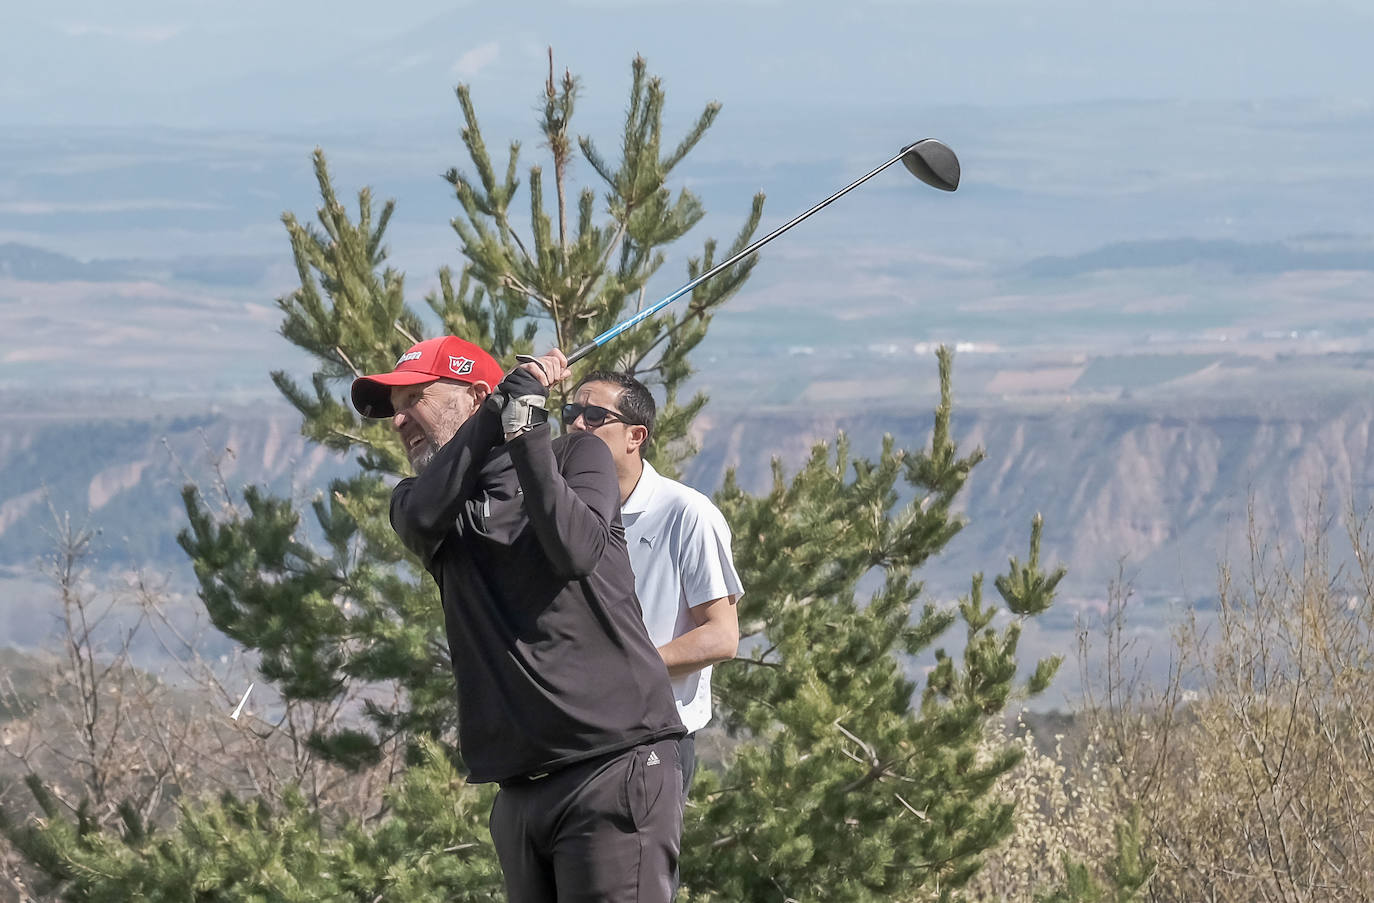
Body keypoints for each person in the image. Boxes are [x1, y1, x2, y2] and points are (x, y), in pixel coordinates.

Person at [351, 336, 686, 903]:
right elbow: (424, 513)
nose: (399, 419)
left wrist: (524, 425)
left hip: (613, 768)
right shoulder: (420, 504)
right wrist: (492, 419)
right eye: (393, 407)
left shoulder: (577, 458)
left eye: (417, 398)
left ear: (476, 394)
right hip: (521, 796)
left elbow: (576, 550)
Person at [564, 371, 741, 798]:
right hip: (571, 740)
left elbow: (721, 636)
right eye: (570, 412)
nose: (576, 425)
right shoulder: (563, 508)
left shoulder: (687, 513)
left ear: (635, 435)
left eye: (594, 415)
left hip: (652, 743)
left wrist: (623, 669)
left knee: (641, 869)